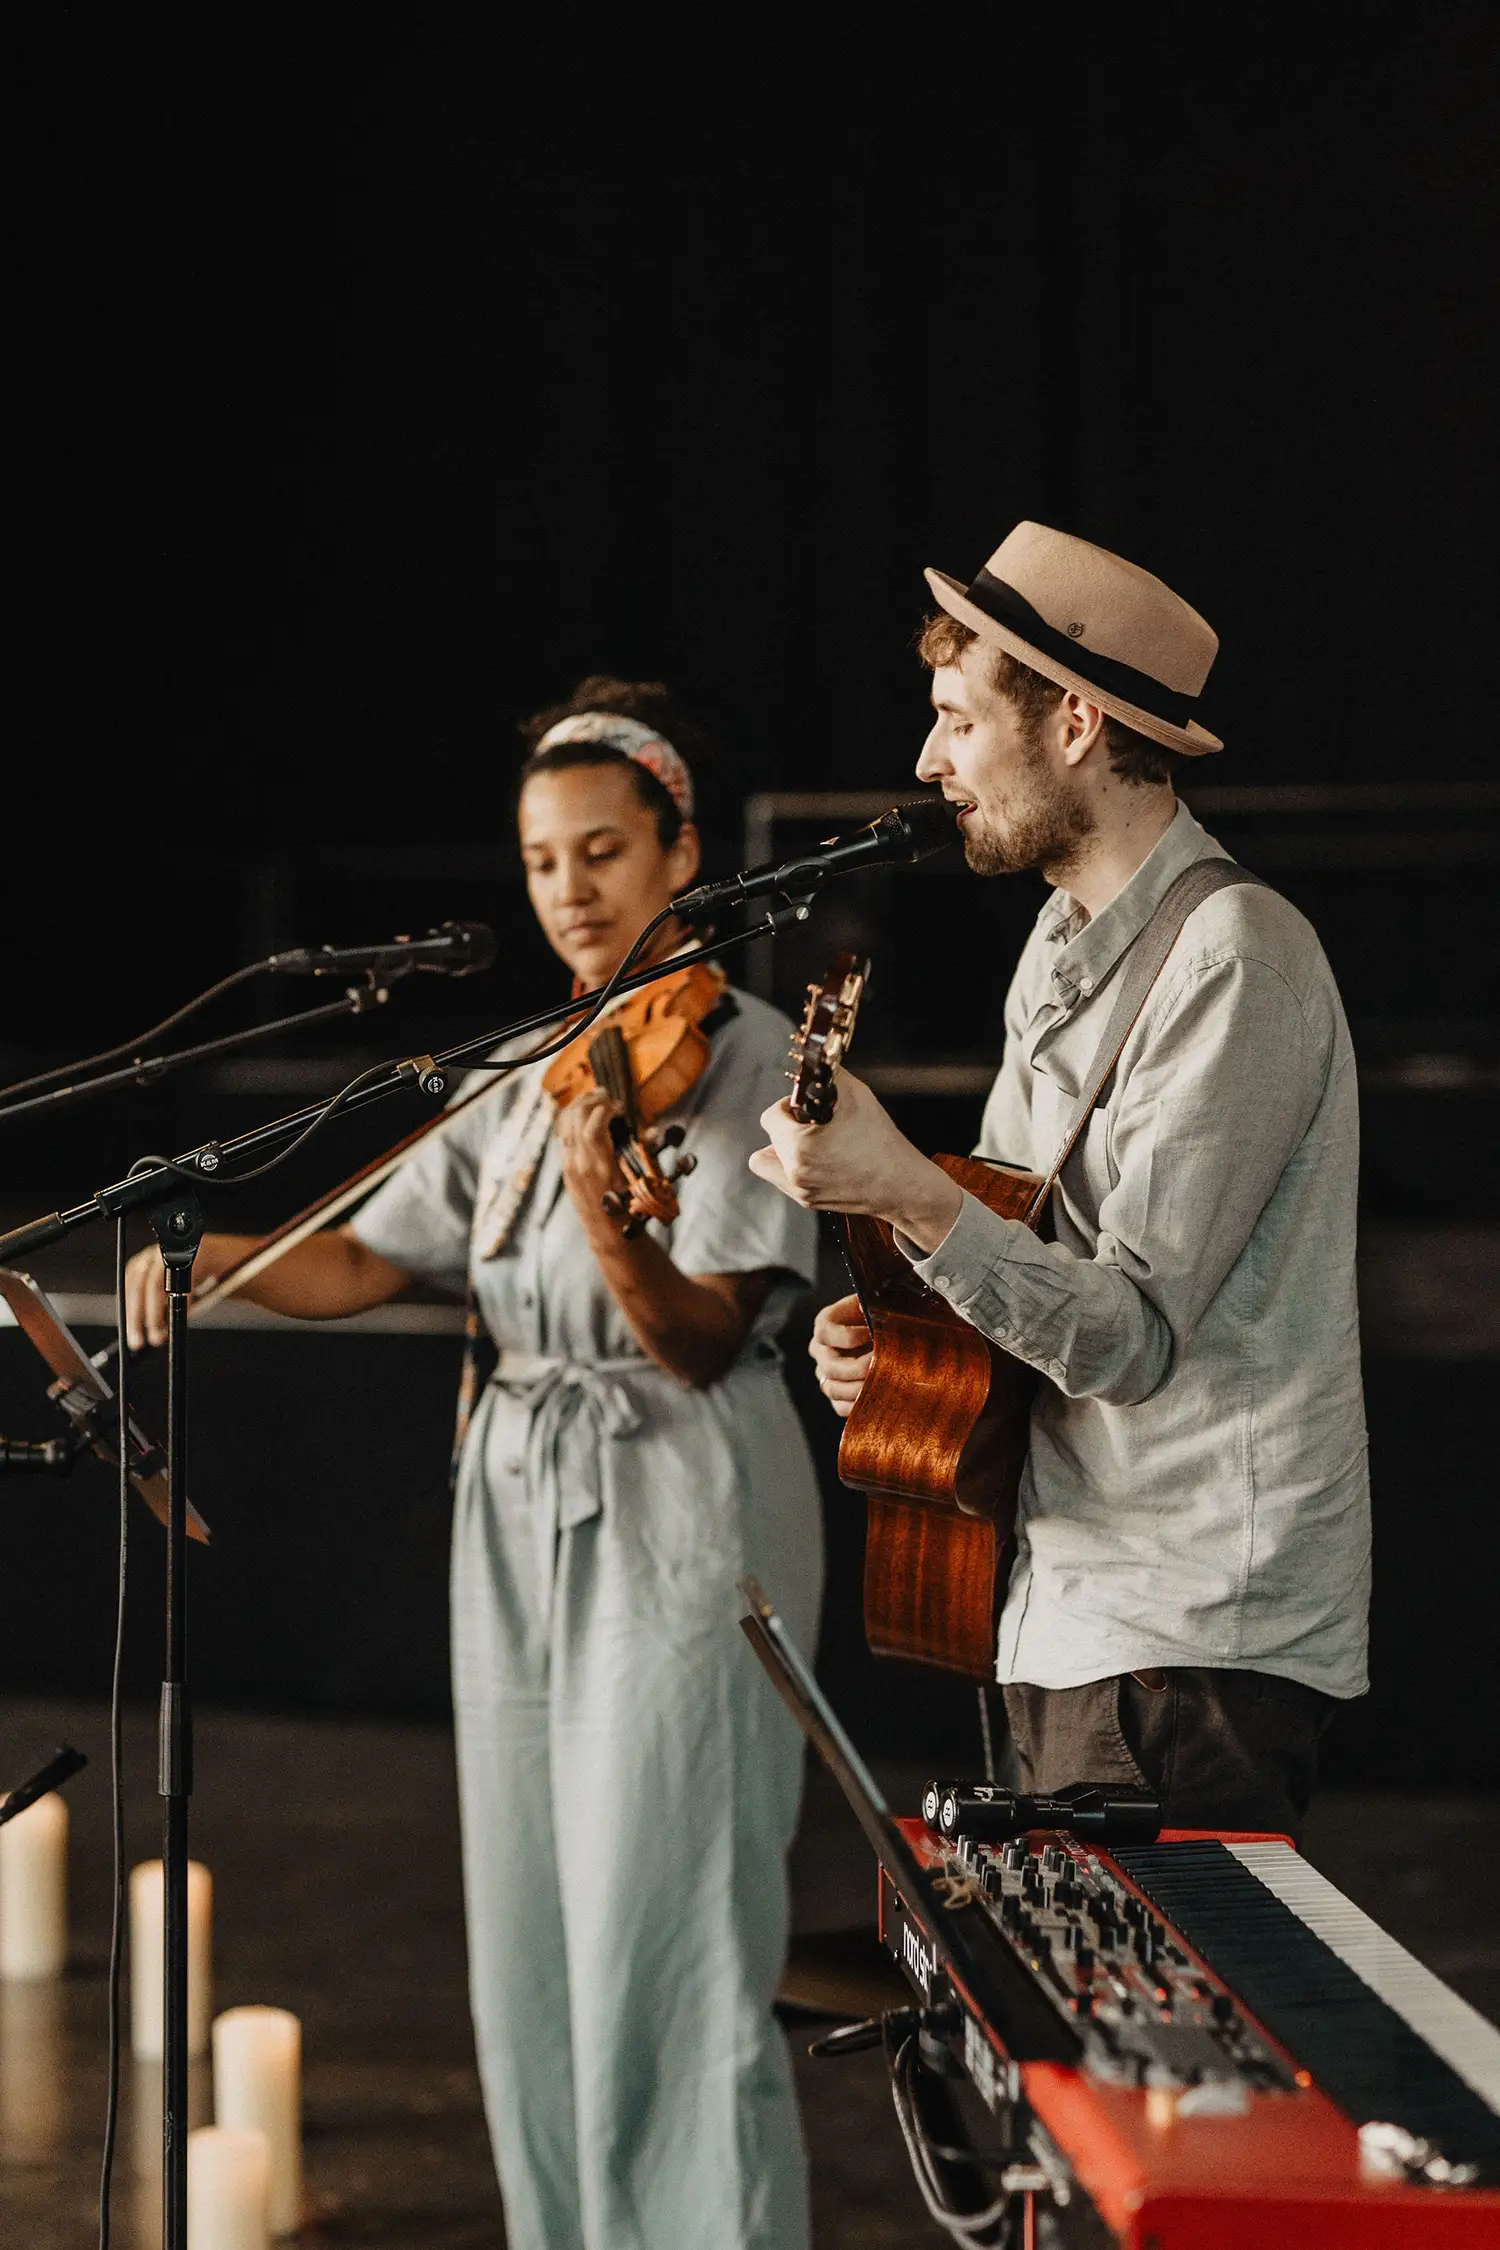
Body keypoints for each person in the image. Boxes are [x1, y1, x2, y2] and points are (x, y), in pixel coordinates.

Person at [127, 677, 823, 2250]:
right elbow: (368, 1257)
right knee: (534, 1931)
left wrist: (603, 1218)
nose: (570, 890)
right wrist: (219, 1253)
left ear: (681, 851)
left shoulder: (749, 1053)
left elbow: (703, 1337)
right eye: (541, 860)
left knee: (673, 1924)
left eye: (603, 851)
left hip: (677, 1501)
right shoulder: (532, 1067)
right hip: (512, 1504)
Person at [753, 523, 1369, 1844]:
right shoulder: (1061, 939)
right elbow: (1024, 1253)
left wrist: (905, 1191)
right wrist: (902, 1336)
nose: (928, 764)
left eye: (956, 719)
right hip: (1074, 1600)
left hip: (1187, 1640)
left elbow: (1129, 1336)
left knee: (1157, 2050)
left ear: (1075, 721)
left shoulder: (1236, 954)